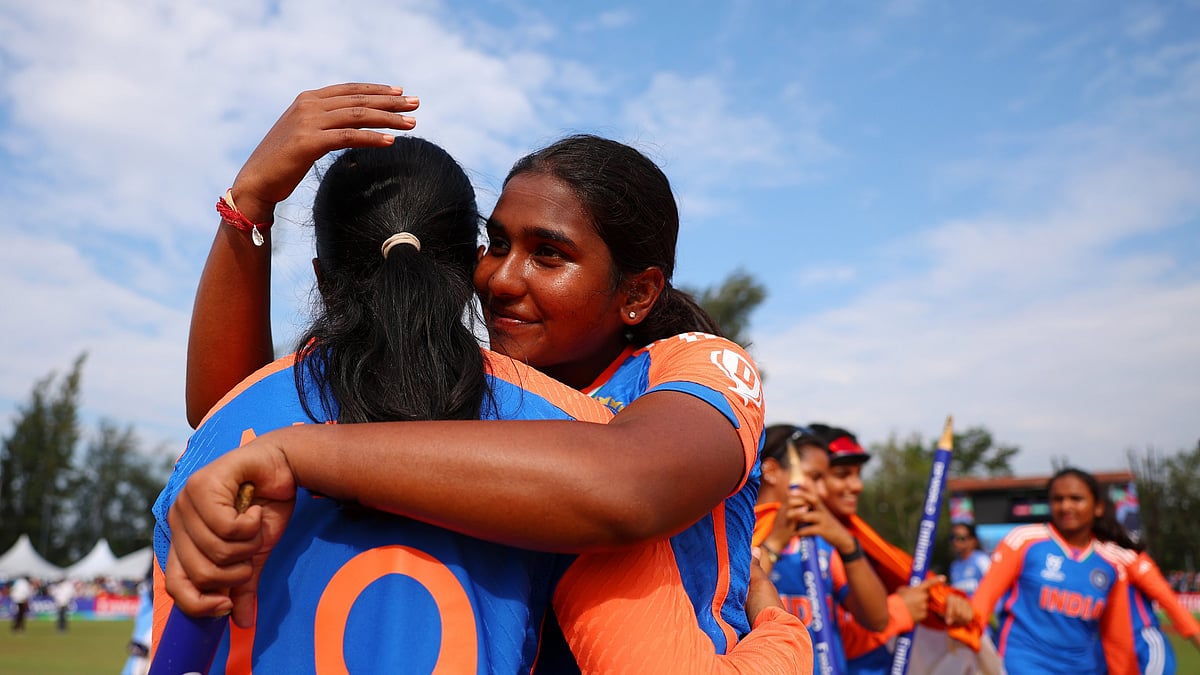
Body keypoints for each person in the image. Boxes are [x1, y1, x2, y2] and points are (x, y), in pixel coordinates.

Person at [158, 109, 808, 672]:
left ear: (637, 292)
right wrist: (246, 207)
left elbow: (626, 483)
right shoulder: (480, 393)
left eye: (548, 255)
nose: (500, 278)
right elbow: (230, 410)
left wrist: (780, 630)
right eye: (495, 243)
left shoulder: (697, 364)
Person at [805, 424, 978, 675]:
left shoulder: (860, 540)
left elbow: (906, 584)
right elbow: (814, 640)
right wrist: (899, 612)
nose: (856, 486)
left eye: (858, 474)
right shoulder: (792, 548)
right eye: (842, 474)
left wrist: (943, 603)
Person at [970, 467, 1138, 674]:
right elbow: (982, 603)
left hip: (1083, 669)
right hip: (1021, 665)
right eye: (1058, 499)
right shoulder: (1023, 541)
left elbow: (1119, 640)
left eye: (1076, 499)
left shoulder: (1112, 563)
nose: (1065, 506)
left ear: (1098, 507)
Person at [754, 424, 890, 672]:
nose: (821, 491)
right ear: (772, 471)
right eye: (814, 477)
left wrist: (848, 546)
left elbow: (878, 618)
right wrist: (774, 544)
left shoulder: (820, 543)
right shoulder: (737, 535)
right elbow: (734, 601)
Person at [948, 522, 990, 597]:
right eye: (952, 537)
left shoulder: (982, 560)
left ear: (973, 541)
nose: (955, 542)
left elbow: (994, 586)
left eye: (961, 538)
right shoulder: (954, 566)